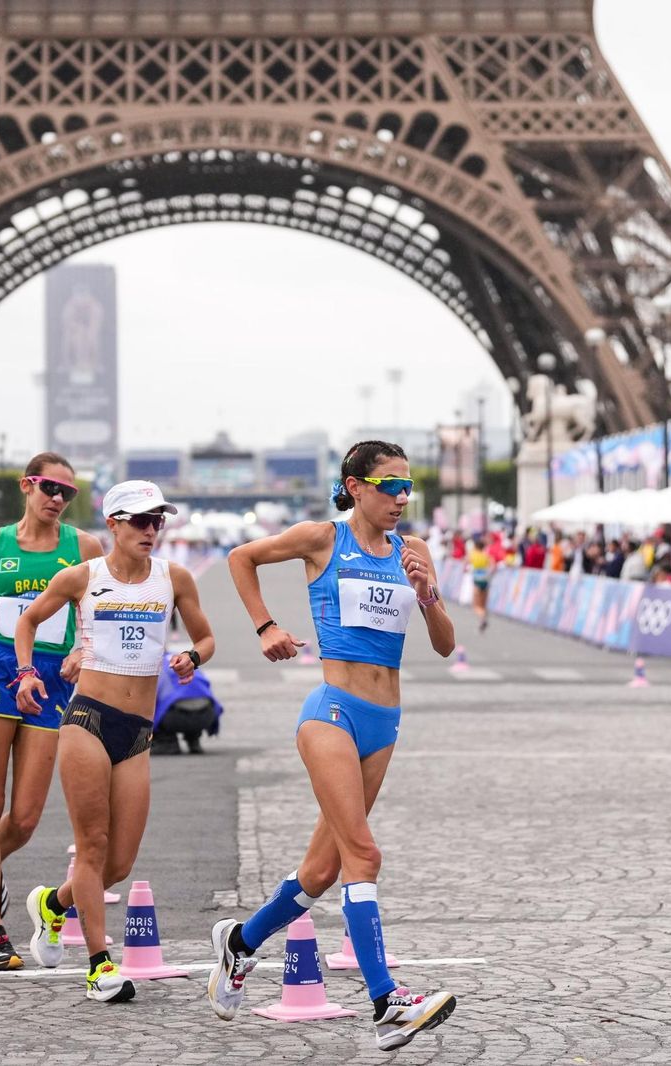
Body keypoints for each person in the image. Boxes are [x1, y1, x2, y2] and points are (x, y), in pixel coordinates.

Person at [205, 441, 458, 1052]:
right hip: (332, 713)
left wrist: (426, 593)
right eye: (390, 485)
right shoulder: (324, 539)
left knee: (320, 871)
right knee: (363, 854)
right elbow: (242, 557)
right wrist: (266, 626)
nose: (402, 497)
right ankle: (386, 1000)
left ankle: (239, 944)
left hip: (384, 721)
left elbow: (446, 645)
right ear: (356, 486)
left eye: (408, 486)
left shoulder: (413, 551)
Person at [16, 481, 216, 1003]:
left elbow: (206, 637)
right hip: (87, 718)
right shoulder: (83, 577)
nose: (151, 530)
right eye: (140, 521)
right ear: (113, 524)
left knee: (119, 863)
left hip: (138, 733)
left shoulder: (174, 578)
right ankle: (99, 966)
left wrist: (192, 658)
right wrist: (26, 673)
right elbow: (27, 621)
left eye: (158, 521)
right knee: (93, 845)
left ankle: (53, 905)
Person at [0, 453, 102, 970]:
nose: (57, 499)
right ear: (26, 486)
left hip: (52, 678)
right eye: (48, 488)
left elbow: (97, 614)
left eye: (67, 492)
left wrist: (81, 650)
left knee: (26, 817)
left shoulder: (84, 547)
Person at [466, 535, 493, 632]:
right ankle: (483, 619)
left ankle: (482, 619)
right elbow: (493, 565)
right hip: (486, 580)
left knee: (476, 605)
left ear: (475, 546)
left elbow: (465, 564)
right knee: (483, 604)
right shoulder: (486, 555)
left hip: (477, 580)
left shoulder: (472, 554)